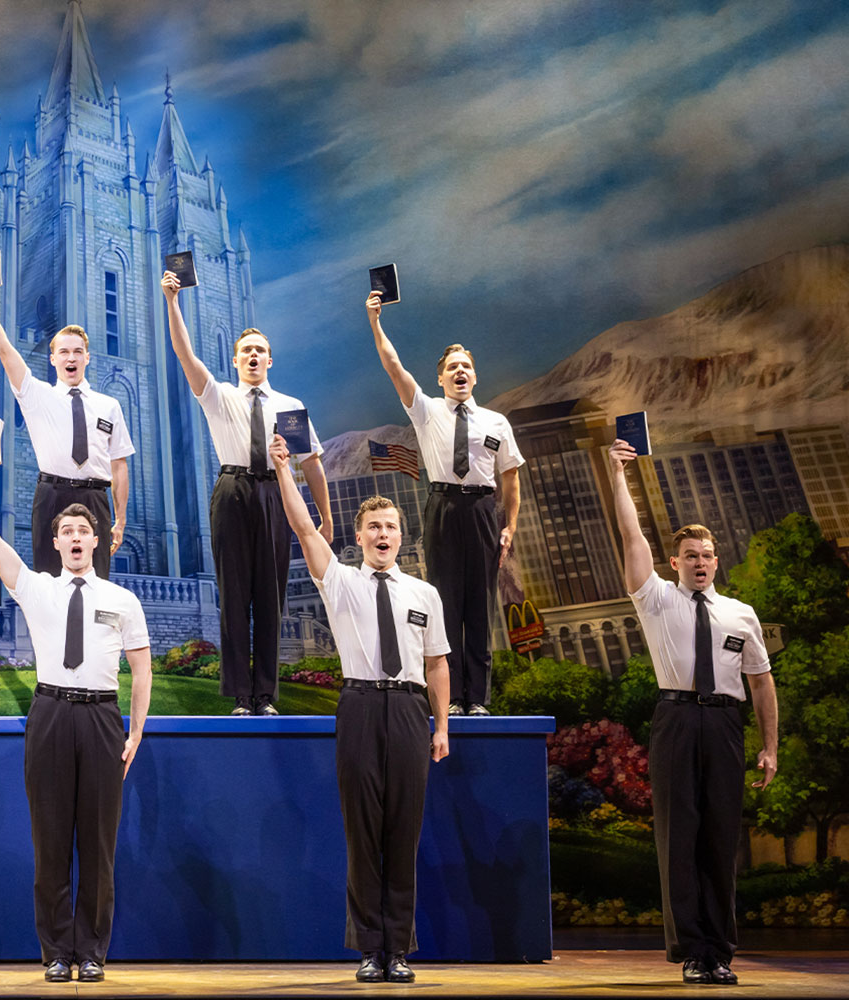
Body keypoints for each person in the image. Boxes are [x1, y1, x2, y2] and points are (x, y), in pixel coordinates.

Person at [0, 460, 151, 983]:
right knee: (50, 841)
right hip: (49, 714)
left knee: (98, 843)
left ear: (97, 541)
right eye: (66, 531)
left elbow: (141, 670)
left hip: (101, 718)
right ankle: (56, 953)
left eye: (83, 531)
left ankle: (91, 950)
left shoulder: (122, 600)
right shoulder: (37, 588)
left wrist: (134, 731)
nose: (74, 538)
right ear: (56, 541)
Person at [269, 433, 450, 983]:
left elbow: (438, 665)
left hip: (409, 713)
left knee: (403, 831)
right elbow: (303, 527)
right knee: (364, 832)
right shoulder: (340, 582)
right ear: (358, 536)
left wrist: (441, 727)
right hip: (360, 707)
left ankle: (399, 949)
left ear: (401, 536)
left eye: (391, 527)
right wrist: (284, 471)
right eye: (373, 527)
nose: (382, 534)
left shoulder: (425, 594)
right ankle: (370, 949)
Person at [607, 438, 777, 986]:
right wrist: (619, 475)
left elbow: (761, 682)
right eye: (690, 557)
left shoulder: (740, 613)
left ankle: (720, 950)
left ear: (715, 560)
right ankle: (692, 952)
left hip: (726, 724)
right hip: (677, 720)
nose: (700, 563)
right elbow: (632, 536)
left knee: (720, 838)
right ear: (675, 563)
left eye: (707, 555)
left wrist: (769, 747)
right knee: (679, 837)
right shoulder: (656, 598)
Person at [163, 271, 333, 715]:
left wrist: (326, 519)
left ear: (270, 361)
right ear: (235, 361)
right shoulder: (219, 396)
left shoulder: (290, 408)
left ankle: (266, 695)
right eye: (246, 351)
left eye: (260, 350)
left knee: (271, 596)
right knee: (235, 594)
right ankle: (241, 696)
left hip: (277, 493)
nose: (253, 356)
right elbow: (184, 354)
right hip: (232, 491)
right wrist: (173, 302)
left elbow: (312, 463)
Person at [366, 291, 522, 716]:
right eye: (452, 367)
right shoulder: (427, 411)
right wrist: (376, 322)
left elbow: (510, 477)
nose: (460, 372)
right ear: (440, 379)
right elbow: (394, 367)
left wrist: (508, 526)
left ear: (475, 377)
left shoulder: (496, 422)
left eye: (466, 367)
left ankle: (479, 700)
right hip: (443, 510)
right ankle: (451, 698)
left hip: (483, 512)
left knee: (480, 607)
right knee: (444, 603)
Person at [0, 271, 133, 577]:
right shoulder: (36, 395)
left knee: (95, 586)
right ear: (53, 358)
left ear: (87, 358)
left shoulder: (109, 406)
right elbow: (5, 350)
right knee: (50, 587)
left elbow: (119, 465)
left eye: (78, 352)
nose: (72, 358)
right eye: (64, 352)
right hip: (51, 496)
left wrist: (120, 519)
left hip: (96, 499)